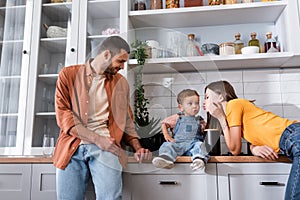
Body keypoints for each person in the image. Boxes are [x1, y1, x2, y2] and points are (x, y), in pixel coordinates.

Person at [53, 35, 151, 200]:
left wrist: (137, 147)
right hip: (71, 147)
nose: (122, 67)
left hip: (107, 147)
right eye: (120, 61)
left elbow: (126, 121)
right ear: (106, 54)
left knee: (111, 198)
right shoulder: (68, 75)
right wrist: (97, 139)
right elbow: (64, 117)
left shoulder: (121, 83)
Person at [203, 80, 300, 200]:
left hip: (293, 135)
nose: (204, 101)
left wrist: (221, 118)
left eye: (207, 97)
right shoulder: (232, 114)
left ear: (221, 96)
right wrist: (253, 147)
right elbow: (254, 133)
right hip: (291, 140)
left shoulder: (233, 105)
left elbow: (235, 149)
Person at [152, 89, 210, 170]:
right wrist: (166, 135)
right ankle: (166, 159)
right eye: (190, 103)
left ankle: (199, 159)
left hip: (193, 146)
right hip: (178, 145)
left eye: (197, 103)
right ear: (181, 107)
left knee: (200, 145)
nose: (195, 106)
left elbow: (207, 130)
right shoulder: (177, 117)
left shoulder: (200, 120)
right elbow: (164, 123)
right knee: (167, 145)